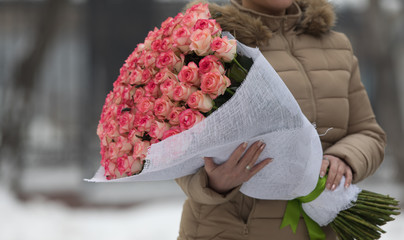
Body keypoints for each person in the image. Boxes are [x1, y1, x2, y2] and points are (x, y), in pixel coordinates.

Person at [176, 0, 387, 239]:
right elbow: (175, 147)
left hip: (316, 229)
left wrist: (343, 158)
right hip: (229, 230)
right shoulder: (209, 44)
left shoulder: (336, 45)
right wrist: (213, 182)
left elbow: (368, 132)